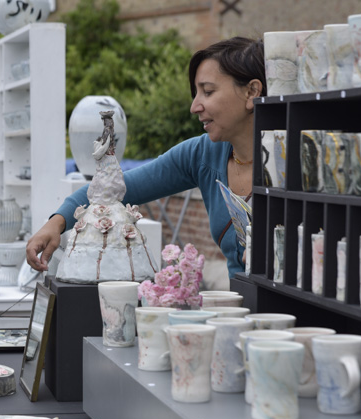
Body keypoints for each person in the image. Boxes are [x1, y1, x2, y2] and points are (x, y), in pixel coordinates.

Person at [26, 37, 264, 278]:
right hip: (241, 309)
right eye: (196, 93)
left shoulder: (292, 158)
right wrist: (55, 223)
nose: (194, 107)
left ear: (251, 92)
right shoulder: (200, 155)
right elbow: (111, 188)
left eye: (208, 92)